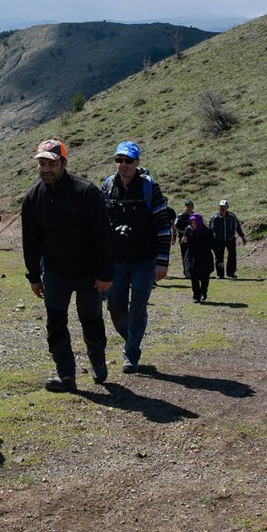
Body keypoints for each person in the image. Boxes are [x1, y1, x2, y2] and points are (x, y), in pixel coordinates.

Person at [21, 139, 113, 392]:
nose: (46, 169)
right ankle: (66, 376)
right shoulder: (32, 197)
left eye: (51, 163)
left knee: (92, 321)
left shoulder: (86, 192)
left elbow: (102, 235)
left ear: (63, 162)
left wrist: (105, 273)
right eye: (41, 163)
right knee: (55, 324)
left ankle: (98, 361)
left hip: (89, 274)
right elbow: (30, 241)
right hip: (54, 273)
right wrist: (33, 276)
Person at [101, 141, 170, 373]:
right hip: (116, 261)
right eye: (119, 160)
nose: (123, 164)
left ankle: (131, 354)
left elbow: (163, 226)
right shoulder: (108, 186)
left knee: (138, 306)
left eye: (128, 160)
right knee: (115, 307)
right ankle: (132, 338)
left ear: (137, 162)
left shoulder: (151, 189)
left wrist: (162, 261)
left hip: (144, 260)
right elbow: (100, 225)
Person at [181, 212, 216, 303]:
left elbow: (213, 245)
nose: (193, 225)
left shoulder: (207, 230)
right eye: (192, 223)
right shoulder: (188, 230)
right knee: (194, 279)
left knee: (204, 279)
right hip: (193, 258)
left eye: (195, 223)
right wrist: (183, 242)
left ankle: (204, 293)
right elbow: (184, 246)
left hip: (205, 258)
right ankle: (196, 296)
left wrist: (219, 258)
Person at [210, 200, 248, 278]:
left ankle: (231, 273)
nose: (222, 208)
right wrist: (210, 240)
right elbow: (211, 229)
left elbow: (237, 227)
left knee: (232, 256)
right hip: (219, 240)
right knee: (219, 257)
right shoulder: (215, 217)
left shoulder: (232, 216)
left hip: (230, 239)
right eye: (221, 207)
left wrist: (242, 237)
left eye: (224, 207)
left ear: (227, 207)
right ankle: (220, 274)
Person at [172, 199, 195, 278]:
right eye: (187, 206)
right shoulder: (181, 216)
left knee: (194, 255)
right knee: (185, 255)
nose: (188, 208)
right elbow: (175, 226)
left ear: (193, 207)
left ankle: (193, 271)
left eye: (190, 206)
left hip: (194, 239)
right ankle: (186, 272)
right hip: (183, 239)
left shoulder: (196, 216)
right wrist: (183, 232)